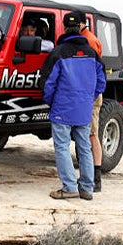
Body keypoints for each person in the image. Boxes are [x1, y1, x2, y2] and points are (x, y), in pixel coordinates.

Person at [42, 12, 106, 201]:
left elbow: (48, 84)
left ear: (63, 28)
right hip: (84, 109)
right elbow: (101, 83)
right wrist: (88, 98)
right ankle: (87, 188)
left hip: (62, 108)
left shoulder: (58, 52)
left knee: (62, 147)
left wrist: (51, 102)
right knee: (84, 146)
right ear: (80, 27)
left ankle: (69, 187)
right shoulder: (92, 53)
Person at [75, 10, 104, 192]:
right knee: (87, 134)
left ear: (80, 24)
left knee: (92, 134)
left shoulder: (89, 41)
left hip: (90, 95)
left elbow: (93, 70)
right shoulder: (86, 38)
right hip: (85, 93)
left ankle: (96, 179)